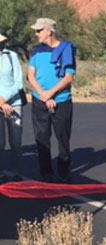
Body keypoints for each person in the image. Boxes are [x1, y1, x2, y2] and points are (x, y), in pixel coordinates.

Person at [28, 18, 76, 183]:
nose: (36, 34)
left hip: (61, 101)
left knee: (63, 137)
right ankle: (46, 172)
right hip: (39, 100)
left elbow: (69, 77)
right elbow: (30, 75)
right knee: (42, 137)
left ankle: (63, 170)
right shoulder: (36, 51)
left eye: (39, 30)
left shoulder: (66, 49)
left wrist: (51, 94)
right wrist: (42, 94)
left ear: (48, 31)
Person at [0, 33, 24, 183]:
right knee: (0, 142)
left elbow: (19, 82)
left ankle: (17, 171)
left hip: (14, 103)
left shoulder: (11, 56)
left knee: (15, 141)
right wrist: (1, 103)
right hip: (0, 103)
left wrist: (5, 99)